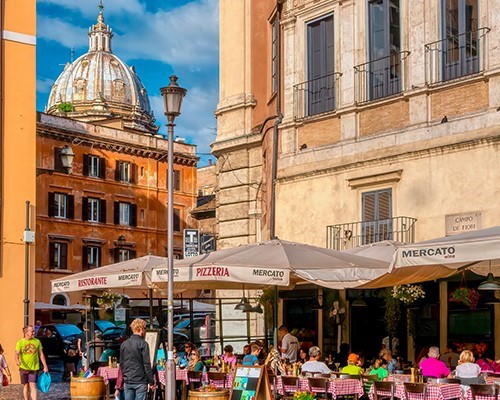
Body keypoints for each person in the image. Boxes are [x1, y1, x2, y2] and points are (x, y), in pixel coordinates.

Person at [120, 319, 155, 400]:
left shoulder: (124, 344)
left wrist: (126, 374)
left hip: (128, 380)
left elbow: (121, 363)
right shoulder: (143, 344)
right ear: (141, 328)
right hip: (140, 380)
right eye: (145, 328)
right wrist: (151, 381)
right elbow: (146, 363)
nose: (145, 330)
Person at [15, 325, 49, 400]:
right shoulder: (20, 342)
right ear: (26, 332)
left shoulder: (37, 341)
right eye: (32, 331)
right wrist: (17, 360)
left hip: (34, 368)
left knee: (33, 385)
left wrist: (45, 366)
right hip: (24, 367)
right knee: (26, 386)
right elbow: (16, 353)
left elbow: (41, 354)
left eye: (33, 331)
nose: (34, 332)